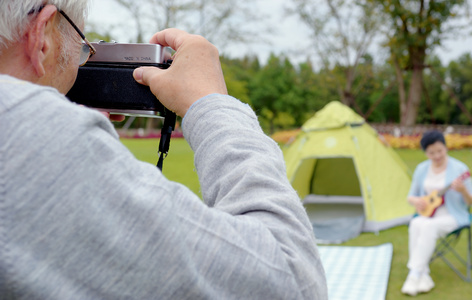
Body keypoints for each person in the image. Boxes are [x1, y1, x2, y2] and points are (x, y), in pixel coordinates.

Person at [0, 1, 327, 299]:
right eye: (84, 48)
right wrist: (210, 102)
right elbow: (293, 281)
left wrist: (86, 138)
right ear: (41, 35)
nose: (82, 62)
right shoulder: (31, 133)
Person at [401, 130, 472, 296]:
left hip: (453, 216)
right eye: (431, 153)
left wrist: (463, 190)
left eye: (440, 151)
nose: (436, 156)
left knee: (427, 227)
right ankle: (423, 275)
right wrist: (417, 201)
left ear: (445, 147)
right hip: (427, 214)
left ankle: (413, 274)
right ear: (425, 153)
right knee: (415, 223)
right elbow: (410, 196)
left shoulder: (460, 169)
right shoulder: (422, 169)